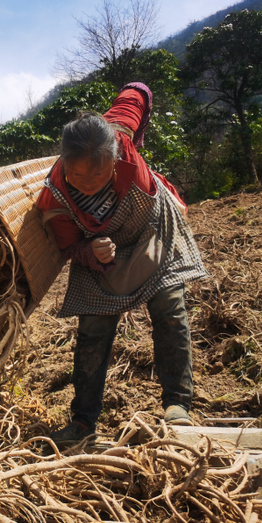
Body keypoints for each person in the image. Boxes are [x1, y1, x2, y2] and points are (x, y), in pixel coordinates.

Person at [36, 83, 208, 446]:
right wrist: (89, 252)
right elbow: (69, 248)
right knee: (92, 334)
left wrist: (140, 136)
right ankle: (82, 423)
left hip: (152, 233)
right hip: (101, 261)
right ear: (63, 163)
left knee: (170, 310)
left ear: (116, 155)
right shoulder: (54, 196)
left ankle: (178, 405)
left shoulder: (121, 134)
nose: (86, 183)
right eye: (76, 175)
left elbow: (140, 91)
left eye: (97, 174)